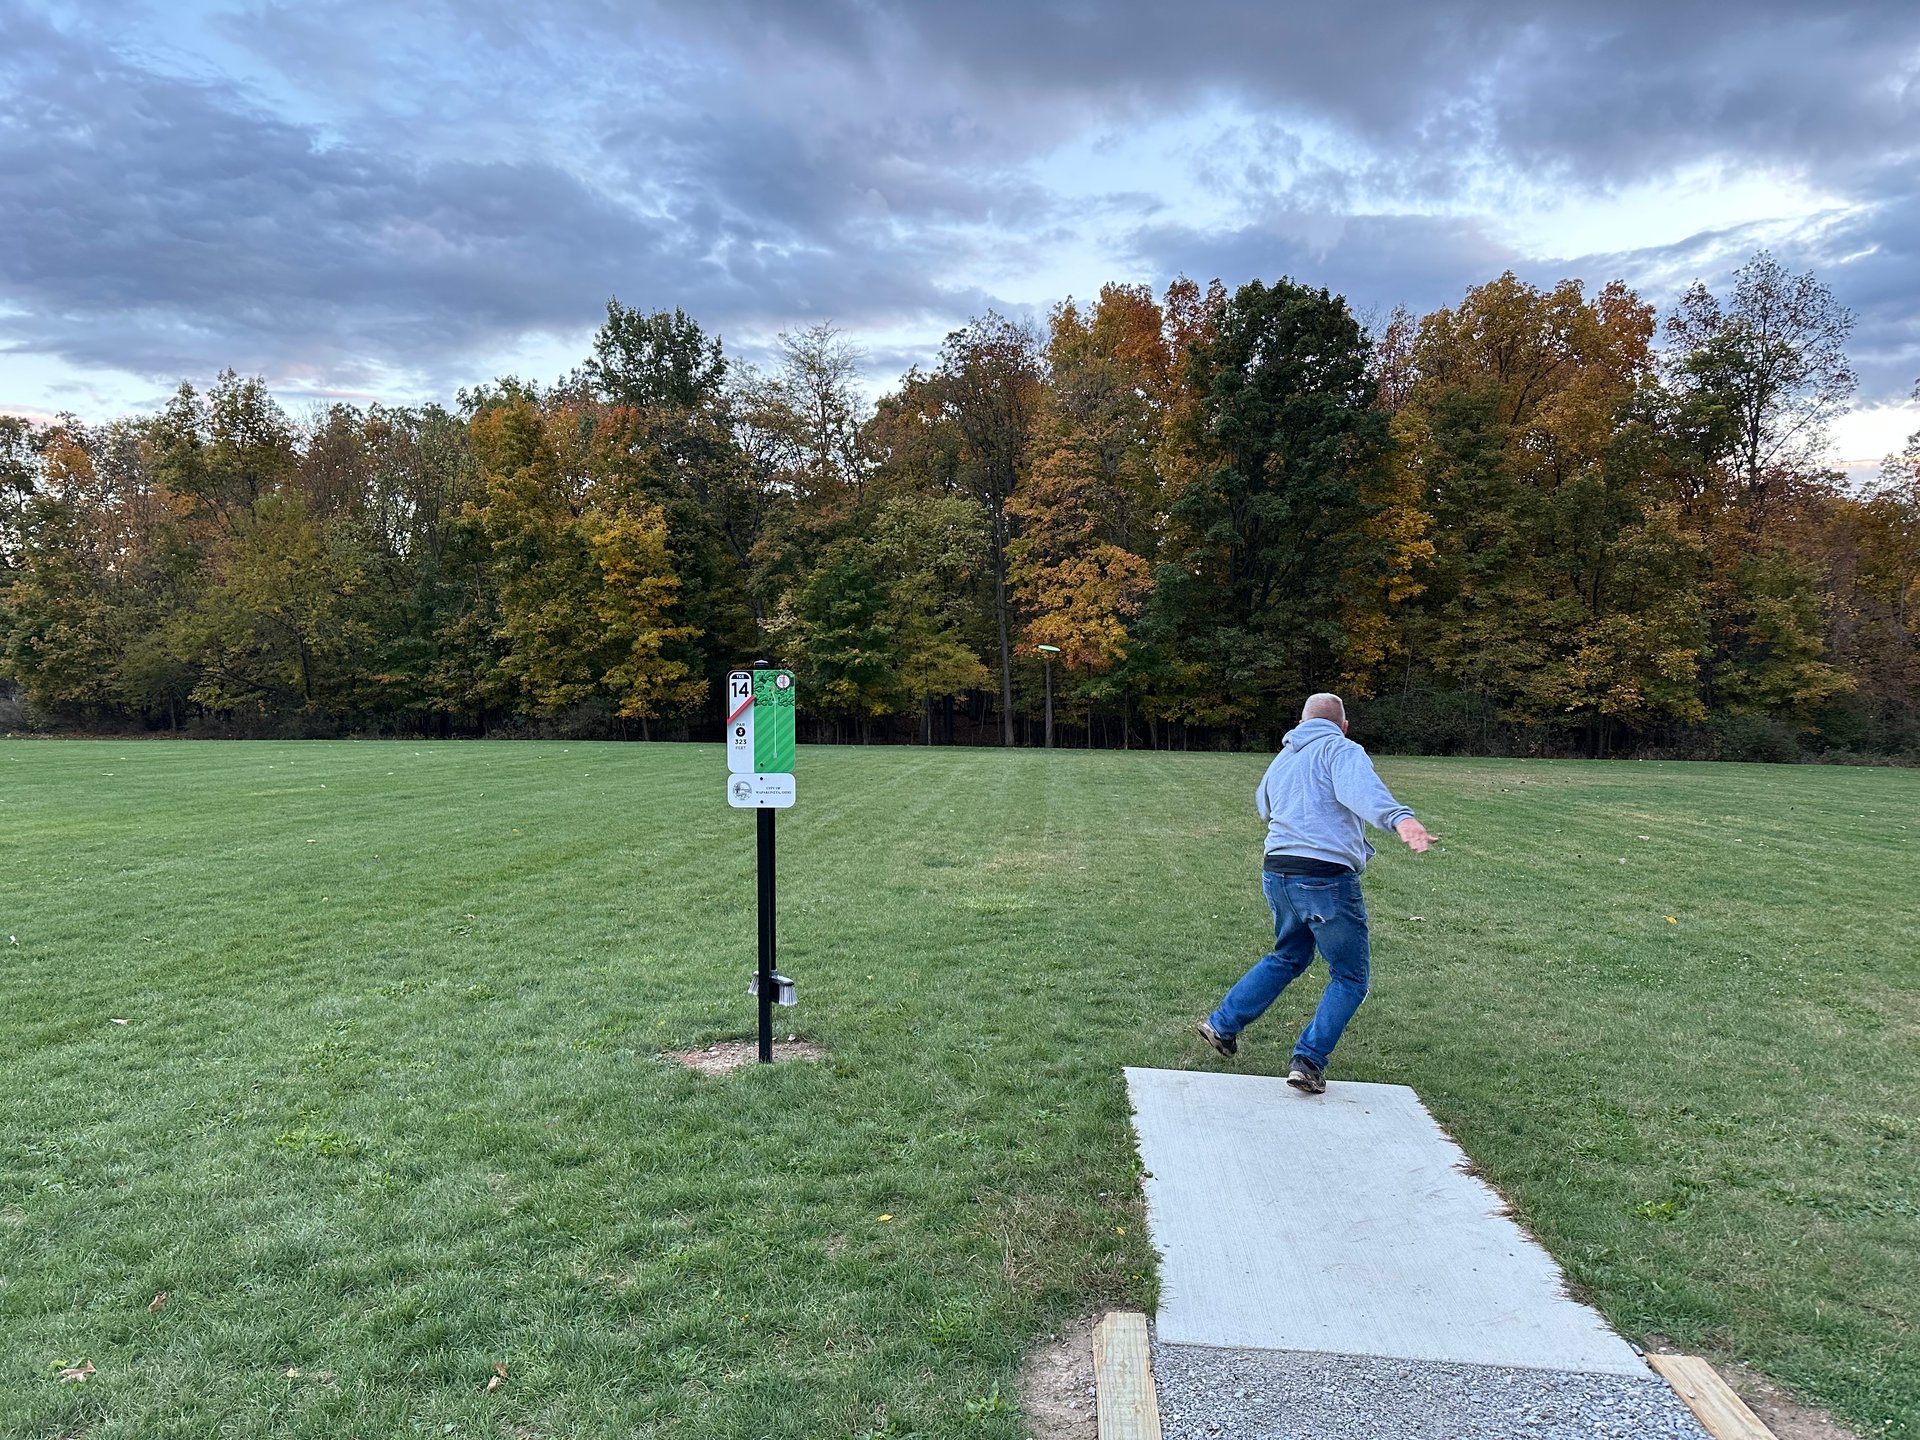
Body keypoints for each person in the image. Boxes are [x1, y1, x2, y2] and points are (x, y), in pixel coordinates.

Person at [1197, 693, 1434, 1093]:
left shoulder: (1283, 757)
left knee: (1289, 955)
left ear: (1302, 723)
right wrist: (1400, 819)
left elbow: (1264, 807)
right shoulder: (1341, 750)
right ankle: (1307, 1062)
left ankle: (1222, 1024)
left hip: (1277, 872)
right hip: (1325, 878)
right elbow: (1362, 791)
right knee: (1350, 976)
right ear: (1343, 725)